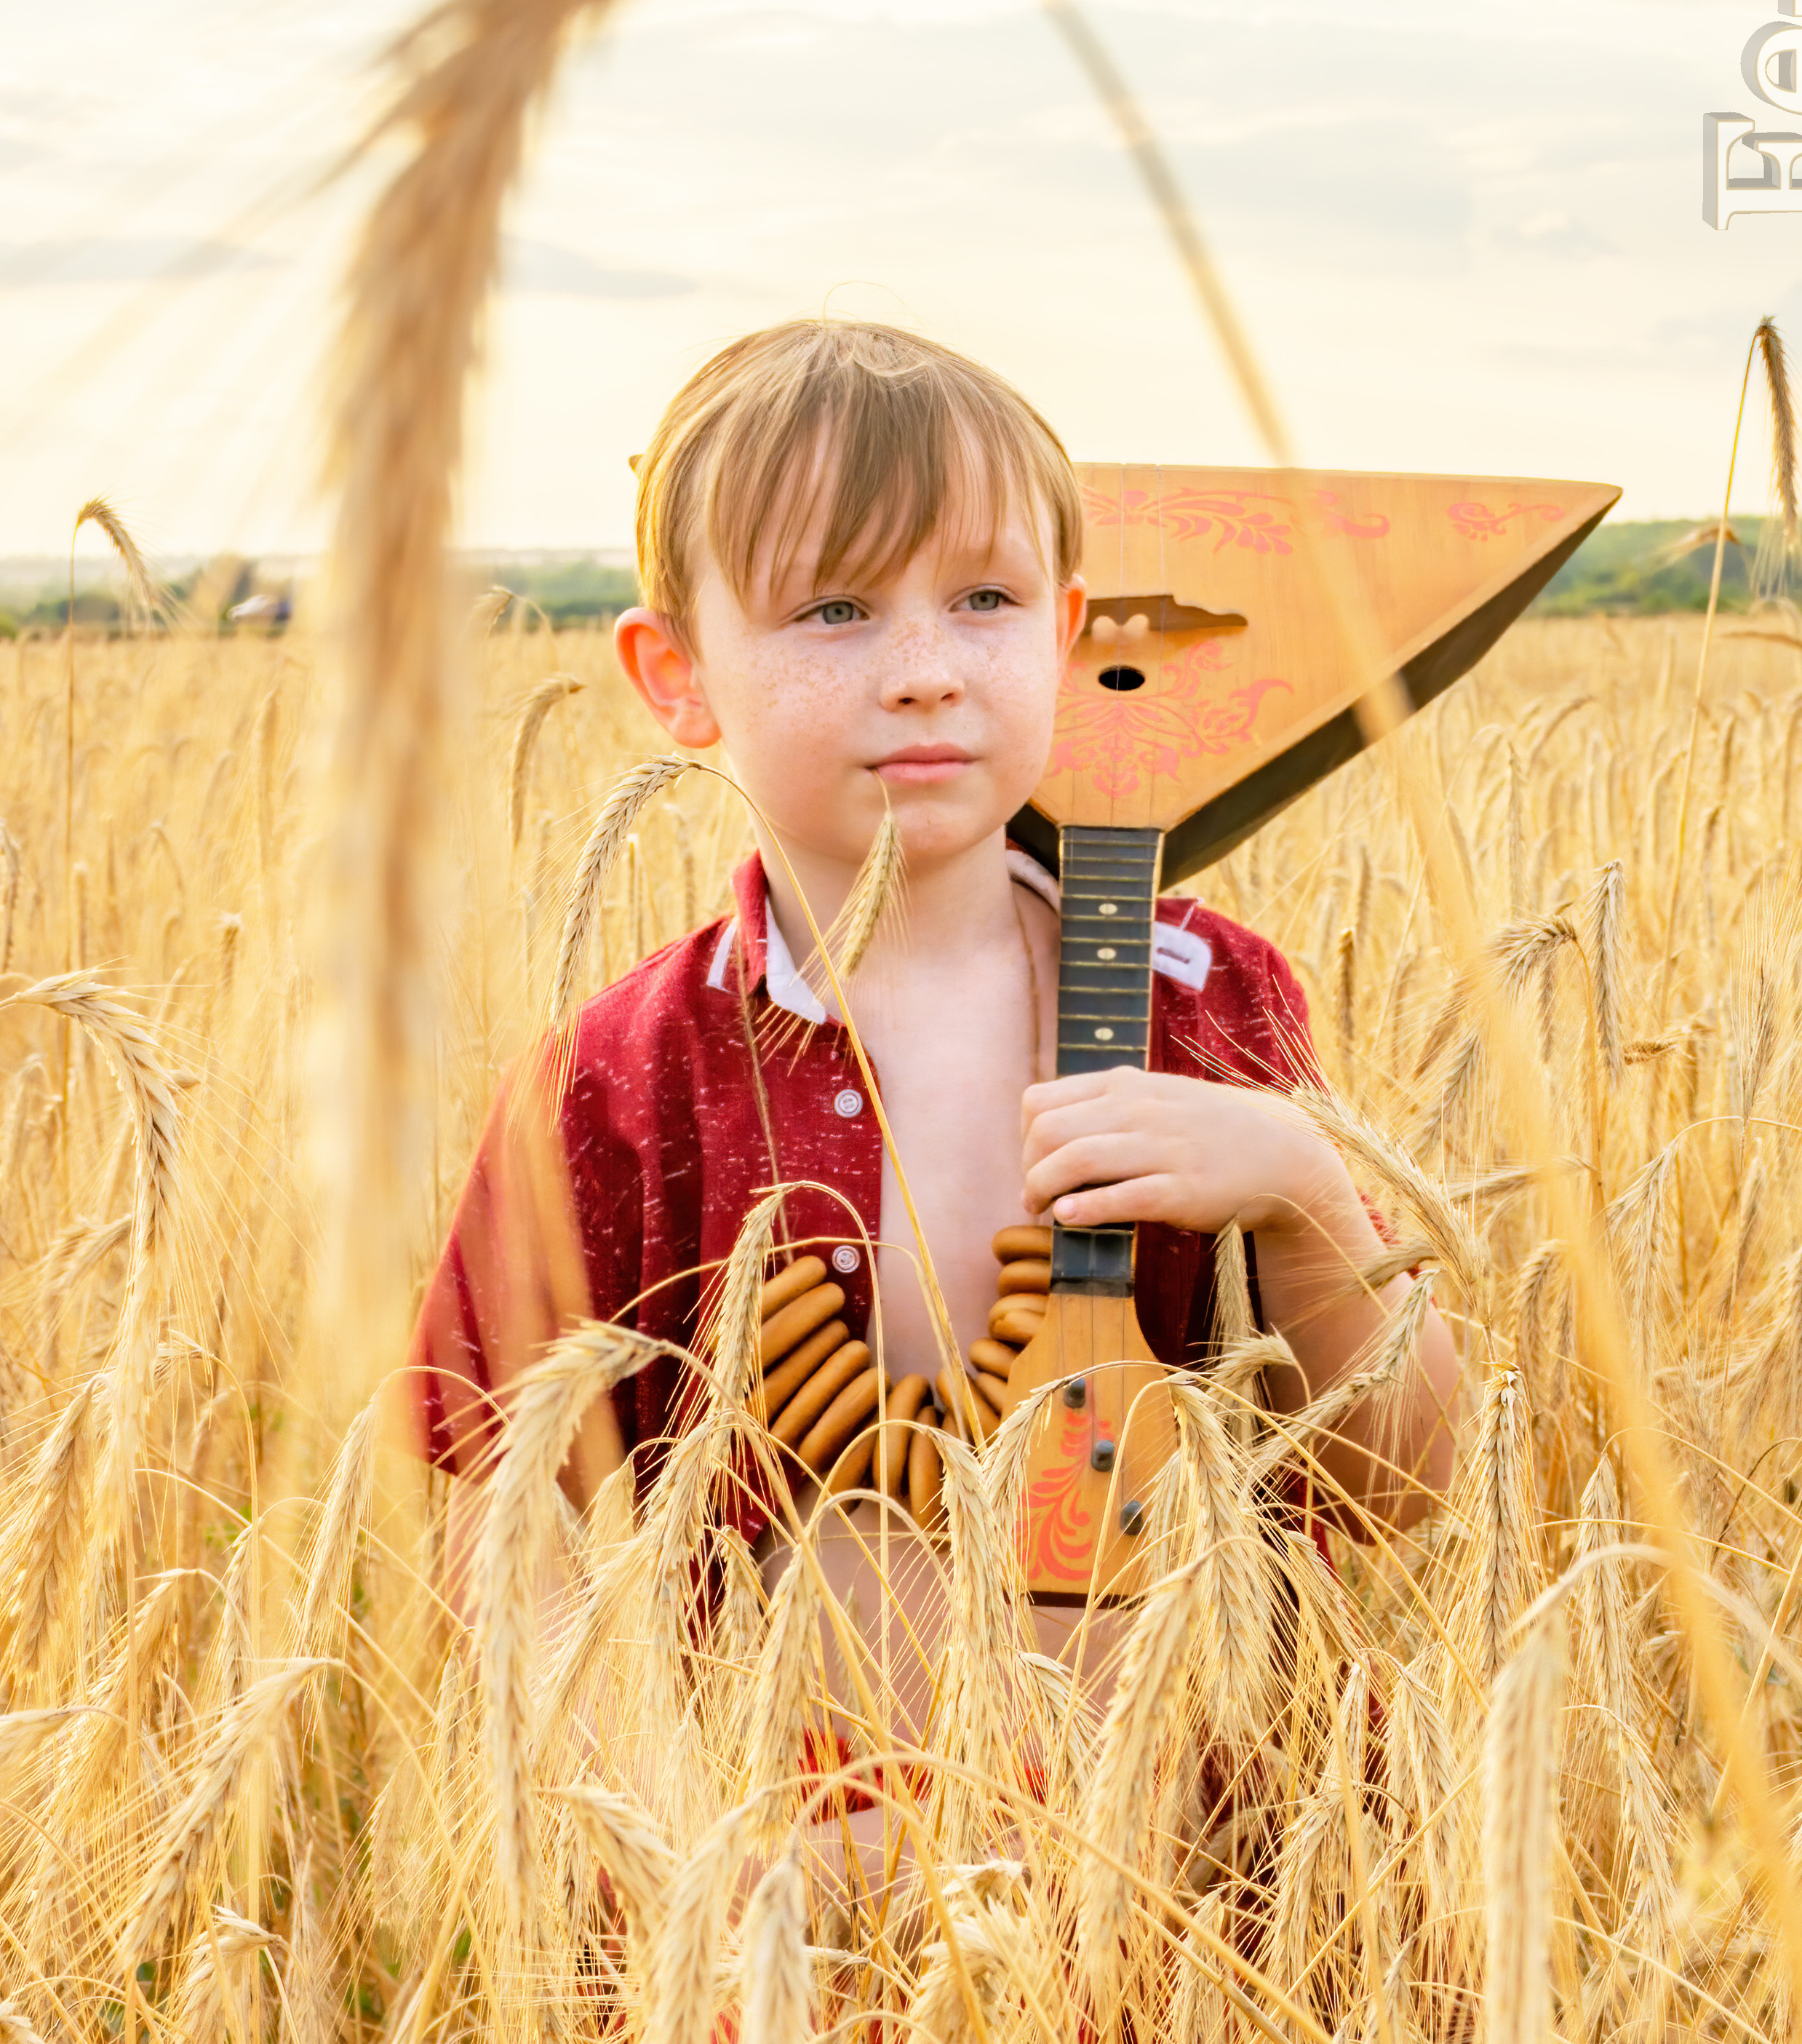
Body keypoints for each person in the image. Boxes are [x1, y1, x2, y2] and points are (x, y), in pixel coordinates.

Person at [411, 316, 1461, 1762]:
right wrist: (677, 1840)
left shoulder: (1198, 1003)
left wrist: (1299, 1200)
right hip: (783, 1941)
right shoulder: (623, 1081)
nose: (921, 668)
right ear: (676, 674)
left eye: (982, 597)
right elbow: (495, 1529)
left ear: (1067, 631)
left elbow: (1399, 1481)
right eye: (832, 609)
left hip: (1206, 1910)